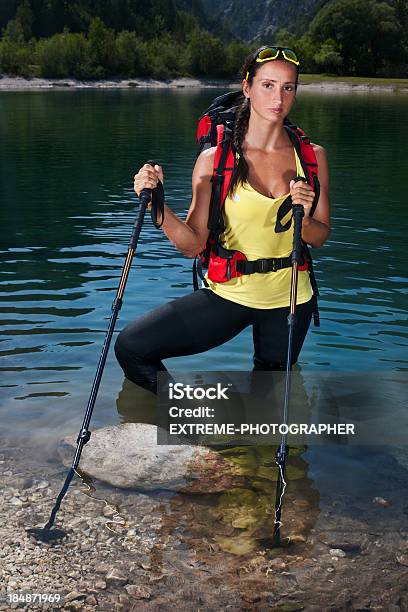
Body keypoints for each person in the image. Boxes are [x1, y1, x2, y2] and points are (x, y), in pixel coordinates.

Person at [114, 46, 331, 397]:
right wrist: (158, 207)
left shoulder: (312, 156)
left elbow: (320, 236)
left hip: (290, 298)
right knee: (132, 347)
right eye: (268, 85)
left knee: (270, 400)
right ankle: (199, 419)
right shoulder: (215, 160)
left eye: (288, 87)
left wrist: (302, 219)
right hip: (229, 294)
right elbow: (193, 245)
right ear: (247, 87)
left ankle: (253, 443)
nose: (279, 98)